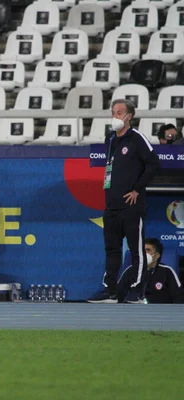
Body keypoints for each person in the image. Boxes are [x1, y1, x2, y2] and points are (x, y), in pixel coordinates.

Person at [88, 99, 160, 303]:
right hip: (111, 205)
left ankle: (136, 290)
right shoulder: (110, 139)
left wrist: (137, 188)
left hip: (131, 206)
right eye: (113, 112)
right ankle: (109, 290)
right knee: (111, 249)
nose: (115, 117)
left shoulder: (136, 138)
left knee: (136, 249)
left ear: (129, 116)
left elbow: (154, 163)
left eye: (119, 113)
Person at [117, 238, 182, 304]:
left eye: (148, 250)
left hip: (159, 311)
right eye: (142, 250)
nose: (144, 253)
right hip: (133, 310)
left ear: (157, 256)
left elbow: (179, 297)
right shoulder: (130, 270)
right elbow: (118, 294)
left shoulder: (167, 271)